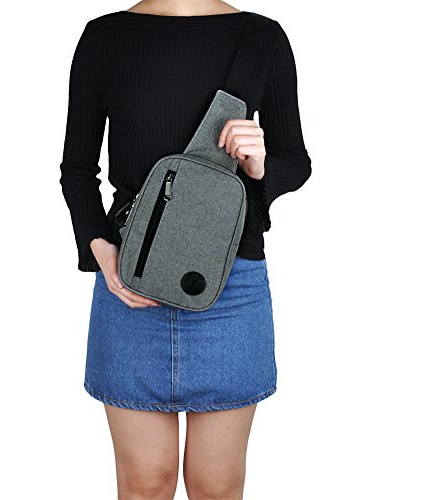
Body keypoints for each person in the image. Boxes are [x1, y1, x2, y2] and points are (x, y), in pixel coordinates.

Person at [59, 0, 311, 497]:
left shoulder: (261, 38)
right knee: (145, 484)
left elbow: (296, 160)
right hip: (131, 280)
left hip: (231, 286)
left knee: (215, 486)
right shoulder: (104, 38)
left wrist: (260, 164)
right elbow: (77, 169)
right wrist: (101, 250)